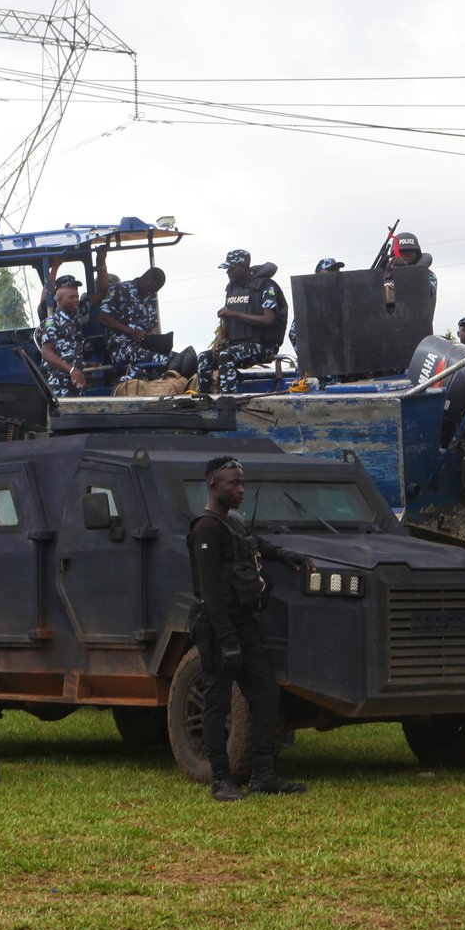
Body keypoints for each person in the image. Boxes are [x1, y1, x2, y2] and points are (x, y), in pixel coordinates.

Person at [188, 456, 314, 801]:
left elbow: (253, 543)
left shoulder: (234, 522)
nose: (240, 489)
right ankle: (221, 780)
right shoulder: (205, 529)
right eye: (233, 483)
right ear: (214, 485)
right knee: (216, 701)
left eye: (242, 482)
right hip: (218, 627)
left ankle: (264, 774)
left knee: (266, 694)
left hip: (245, 623)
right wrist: (227, 640)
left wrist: (285, 554)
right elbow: (210, 590)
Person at [198, 249, 286, 393]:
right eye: (227, 268)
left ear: (243, 267)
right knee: (204, 357)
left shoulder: (266, 286)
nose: (228, 272)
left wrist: (234, 313)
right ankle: (205, 398)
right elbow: (226, 321)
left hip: (261, 345)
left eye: (231, 268)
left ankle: (228, 400)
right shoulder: (232, 288)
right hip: (236, 344)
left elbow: (269, 319)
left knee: (226, 356)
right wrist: (218, 342)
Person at [96, 266, 172, 381]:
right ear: (145, 278)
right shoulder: (119, 290)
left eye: (153, 291)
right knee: (162, 360)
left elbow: (153, 324)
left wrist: (152, 334)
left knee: (175, 358)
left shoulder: (151, 297)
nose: (150, 293)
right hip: (121, 347)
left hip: (144, 346)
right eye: (149, 289)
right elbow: (102, 317)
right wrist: (131, 332)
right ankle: (122, 384)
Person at [35, 276, 89, 396]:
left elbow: (70, 351)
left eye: (77, 297)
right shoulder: (52, 322)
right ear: (59, 299)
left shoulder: (74, 321)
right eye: (71, 297)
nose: (76, 300)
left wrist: (83, 364)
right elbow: (46, 352)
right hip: (59, 382)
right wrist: (71, 370)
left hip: (74, 380)